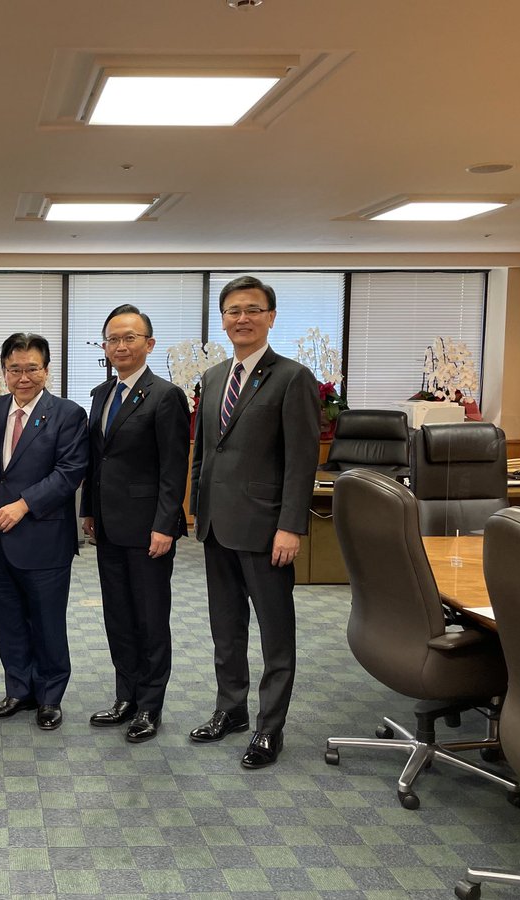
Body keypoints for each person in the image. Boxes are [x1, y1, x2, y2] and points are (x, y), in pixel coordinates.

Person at [188, 275, 320, 769]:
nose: (242, 318)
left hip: (266, 529)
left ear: (271, 317)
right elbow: (204, 452)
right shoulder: (213, 377)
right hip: (216, 526)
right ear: (223, 320)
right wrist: (197, 508)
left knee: (275, 634)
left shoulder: (292, 377)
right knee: (226, 629)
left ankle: (270, 728)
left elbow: (301, 460)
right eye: (233, 311)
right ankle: (231, 710)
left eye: (252, 310)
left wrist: (291, 525)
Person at [0, 332, 88, 731]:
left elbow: (69, 473)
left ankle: (50, 697)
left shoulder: (68, 414)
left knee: (47, 622)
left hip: (43, 536)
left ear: (46, 370)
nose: (23, 377)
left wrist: (23, 505)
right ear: (4, 372)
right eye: (14, 369)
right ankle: (19, 689)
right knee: (8, 621)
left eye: (32, 368)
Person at [81, 304, 189, 744]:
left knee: (150, 618)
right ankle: (125, 695)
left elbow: (174, 468)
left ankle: (150, 705)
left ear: (149, 343)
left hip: (148, 529)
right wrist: (88, 509)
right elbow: (96, 459)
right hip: (108, 526)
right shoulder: (101, 393)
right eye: (113, 339)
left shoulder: (165, 396)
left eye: (129, 338)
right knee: (119, 616)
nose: (120, 346)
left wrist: (165, 525)